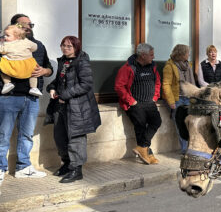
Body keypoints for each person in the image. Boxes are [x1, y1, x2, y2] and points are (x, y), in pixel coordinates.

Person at [0, 14, 51, 187]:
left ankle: (23, 167)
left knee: (27, 134)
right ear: (15, 27)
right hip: (9, 96)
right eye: (24, 24)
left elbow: (49, 68)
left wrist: (45, 71)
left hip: (32, 97)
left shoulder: (38, 46)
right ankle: (0, 168)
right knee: (3, 135)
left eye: (30, 24)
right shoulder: (4, 43)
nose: (28, 27)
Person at [46, 36, 101, 183]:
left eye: (69, 46)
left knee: (76, 139)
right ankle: (67, 164)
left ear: (76, 47)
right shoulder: (63, 61)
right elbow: (59, 81)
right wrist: (51, 88)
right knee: (60, 137)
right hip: (61, 106)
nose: (65, 48)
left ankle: (77, 170)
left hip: (78, 108)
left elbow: (86, 84)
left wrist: (65, 94)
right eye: (63, 45)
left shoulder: (82, 62)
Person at [114, 43, 162, 165]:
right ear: (143, 55)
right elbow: (119, 86)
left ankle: (142, 147)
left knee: (157, 122)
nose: (153, 56)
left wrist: (155, 97)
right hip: (135, 103)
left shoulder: (152, 67)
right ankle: (148, 153)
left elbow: (157, 82)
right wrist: (131, 101)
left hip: (150, 102)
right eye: (151, 55)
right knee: (140, 126)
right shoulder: (128, 67)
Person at [163, 44, 195, 153]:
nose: (189, 54)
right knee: (180, 125)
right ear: (181, 54)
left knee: (190, 124)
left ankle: (191, 147)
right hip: (178, 99)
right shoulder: (170, 66)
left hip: (189, 98)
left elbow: (192, 83)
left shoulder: (188, 65)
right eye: (187, 52)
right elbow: (166, 85)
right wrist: (171, 102)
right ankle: (185, 150)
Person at [0, 24, 41, 96]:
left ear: (17, 36)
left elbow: (1, 50)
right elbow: (35, 47)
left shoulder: (6, 44)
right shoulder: (26, 41)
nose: (5, 37)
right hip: (27, 65)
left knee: (2, 67)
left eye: (8, 35)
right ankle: (34, 87)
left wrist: (1, 43)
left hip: (13, 66)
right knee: (34, 71)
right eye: (5, 35)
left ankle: (7, 83)